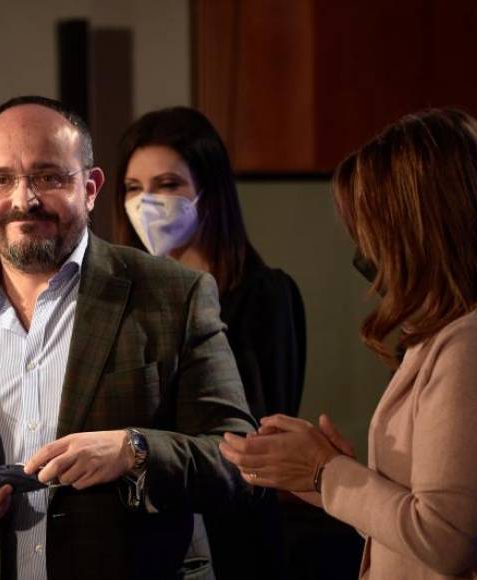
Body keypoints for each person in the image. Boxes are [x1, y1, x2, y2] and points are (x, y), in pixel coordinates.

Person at [0, 95, 257, 580]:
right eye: (1, 179)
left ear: (91, 187)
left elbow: (238, 458)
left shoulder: (173, 295)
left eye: (49, 177)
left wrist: (133, 451)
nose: (23, 199)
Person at [220, 108, 477, 579]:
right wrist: (320, 473)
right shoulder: (464, 331)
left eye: (372, 229)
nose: (366, 252)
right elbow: (417, 520)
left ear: (422, 229)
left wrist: (325, 470)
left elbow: (444, 538)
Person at [112, 106, 307, 579]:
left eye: (168, 184)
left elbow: (257, 438)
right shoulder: (126, 299)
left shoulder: (262, 294)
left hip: (234, 541)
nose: (148, 203)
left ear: (209, 190)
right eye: (134, 188)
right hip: (145, 542)